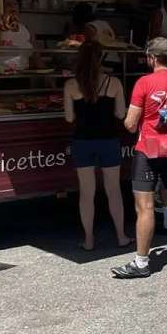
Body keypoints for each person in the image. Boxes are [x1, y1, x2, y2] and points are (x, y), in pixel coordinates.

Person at [112, 37, 167, 279]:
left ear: (151, 58)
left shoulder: (144, 83)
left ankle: (141, 262)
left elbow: (129, 124)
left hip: (147, 151)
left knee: (145, 208)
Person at [63, 41, 131, 251]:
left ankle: (89, 240)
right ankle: (121, 237)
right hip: (108, 140)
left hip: (83, 141)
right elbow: (121, 114)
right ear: (101, 58)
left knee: (86, 193)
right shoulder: (114, 83)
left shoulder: (71, 85)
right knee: (114, 191)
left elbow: (69, 117)